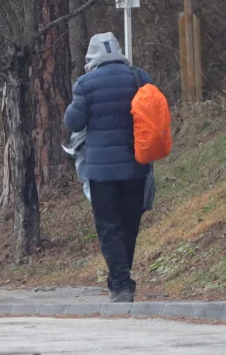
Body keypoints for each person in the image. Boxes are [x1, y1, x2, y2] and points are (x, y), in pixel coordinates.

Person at [64, 32, 153, 303]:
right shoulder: (139, 77)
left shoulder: (86, 84)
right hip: (136, 167)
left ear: (92, 57)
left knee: (109, 227)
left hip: (102, 172)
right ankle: (120, 281)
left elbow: (73, 122)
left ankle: (122, 285)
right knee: (129, 225)